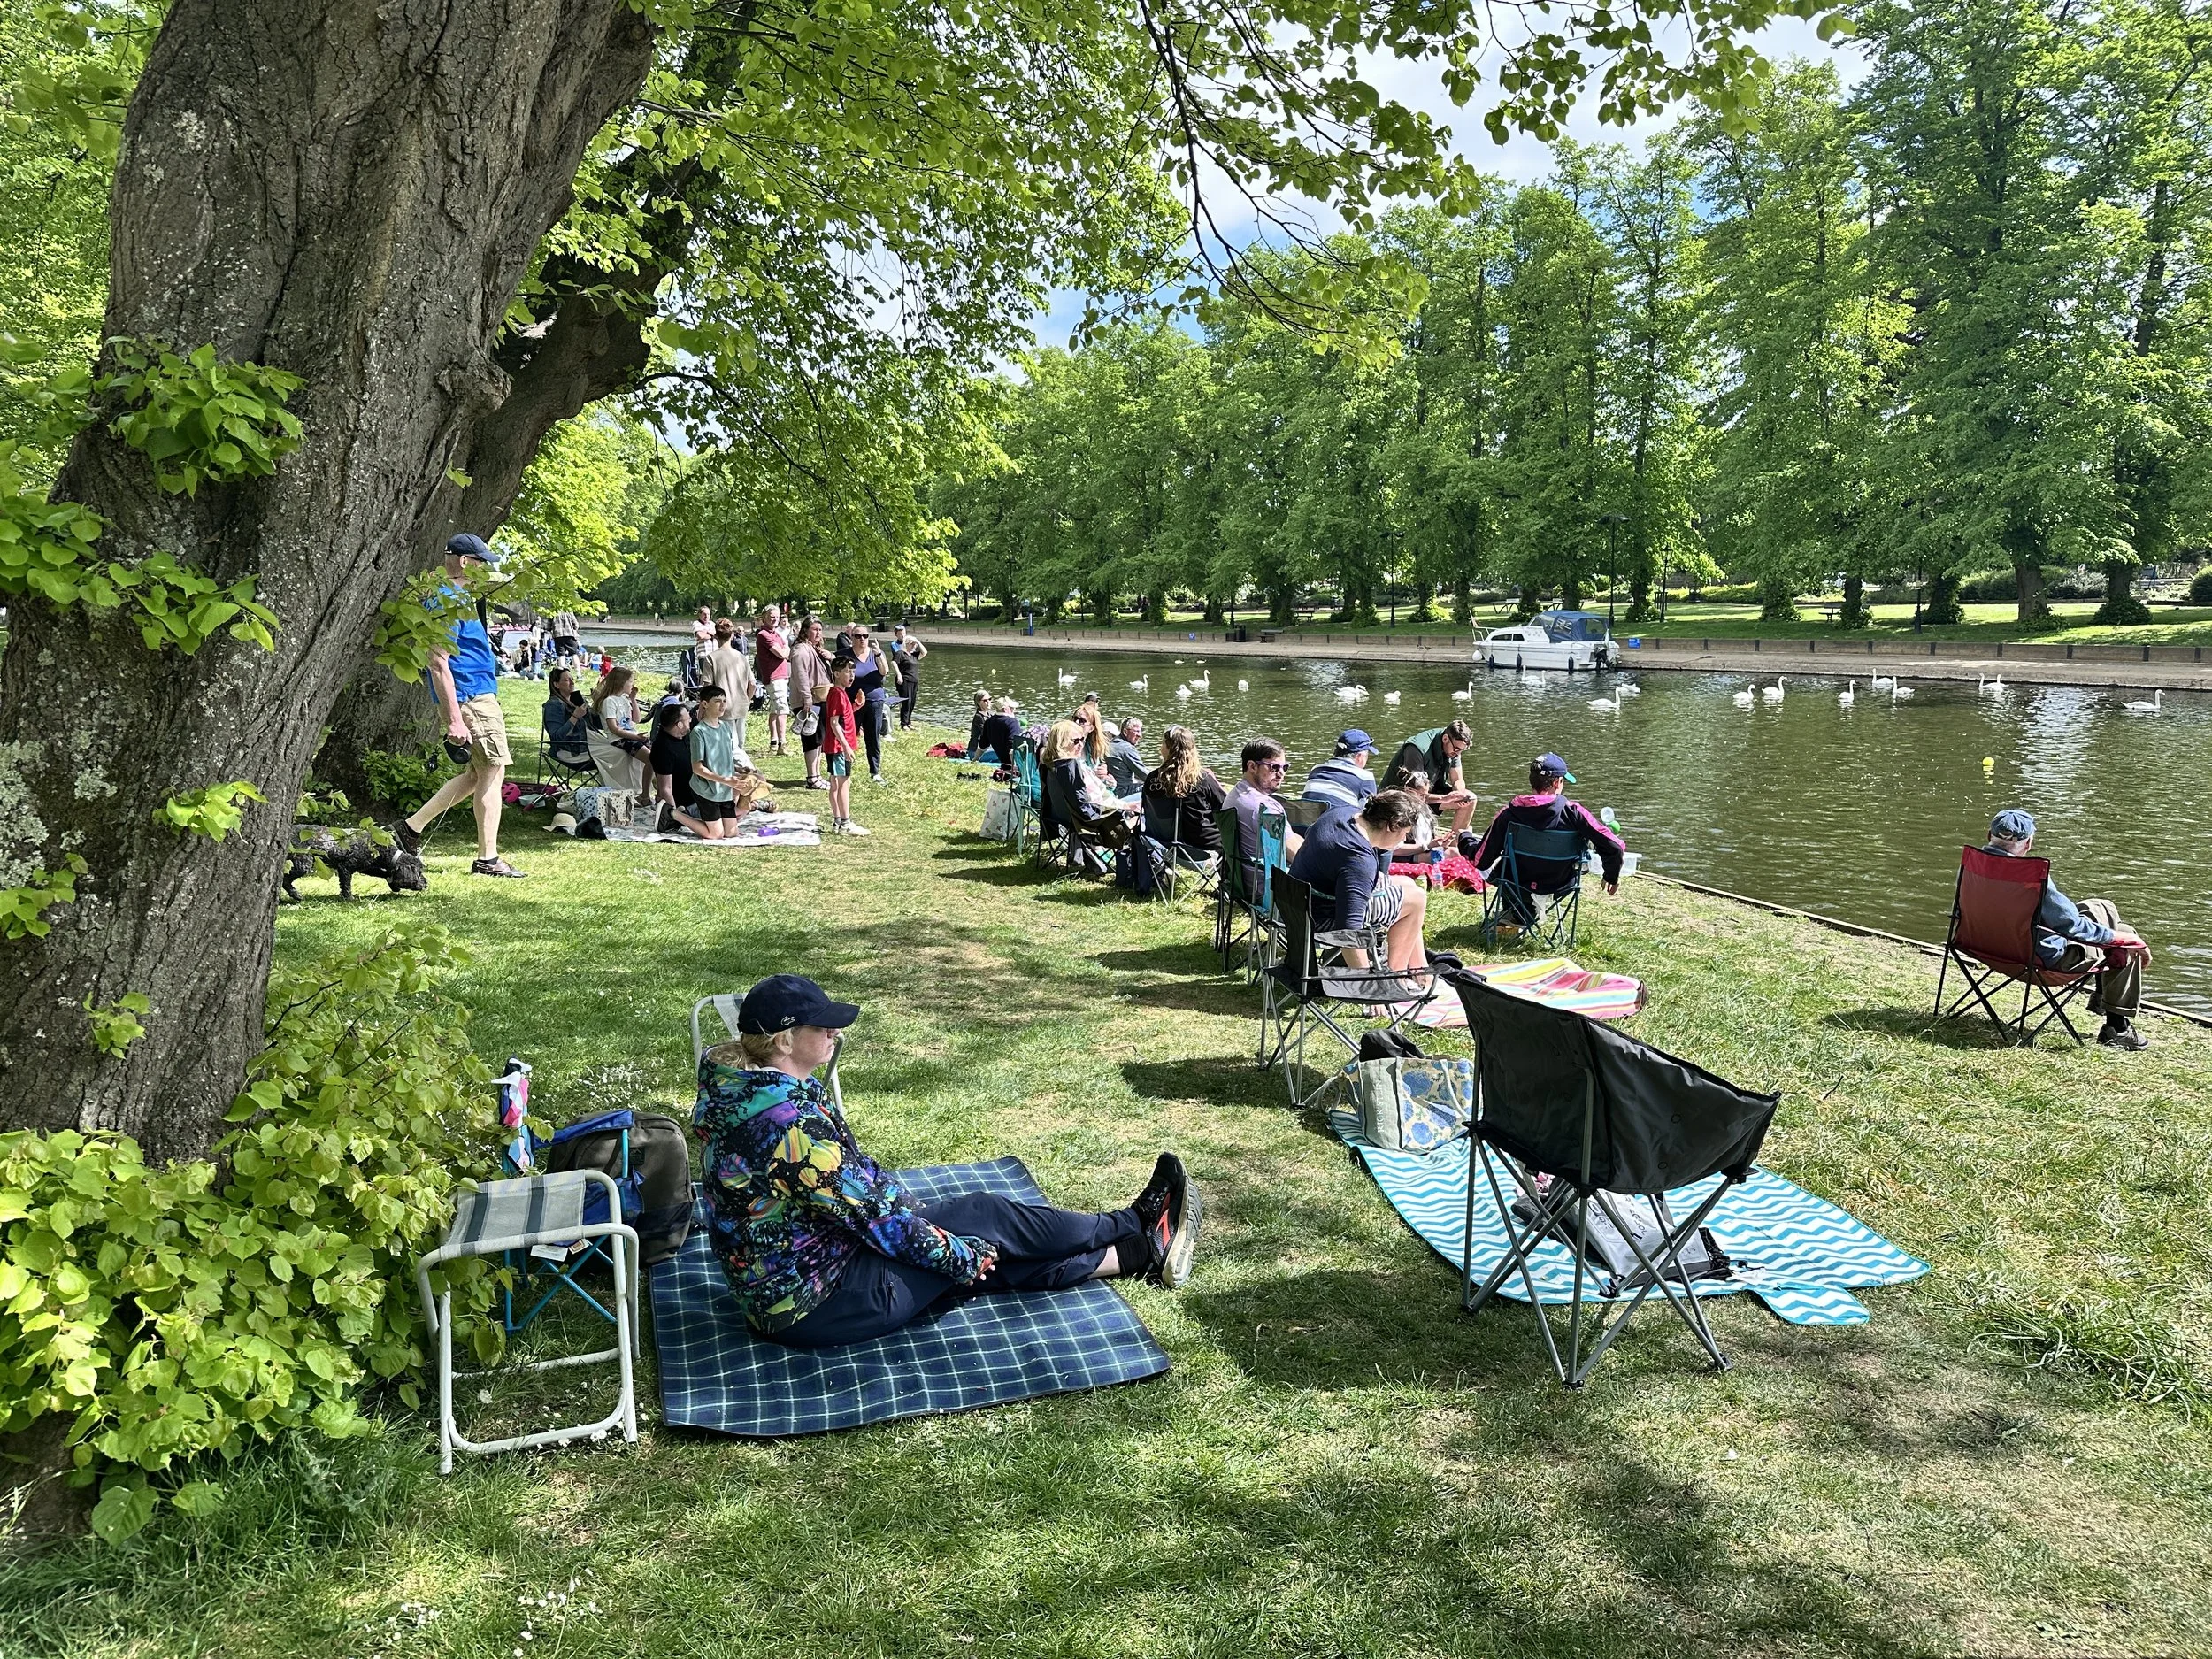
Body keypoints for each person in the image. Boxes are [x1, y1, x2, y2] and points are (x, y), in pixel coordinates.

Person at [693, 975, 1201, 1348]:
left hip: (792, 1283)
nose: (834, 1035)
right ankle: (1134, 1223)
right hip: (819, 1303)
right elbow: (876, 1220)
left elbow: (855, 1185)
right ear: (784, 1041)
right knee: (984, 1228)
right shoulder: (786, 1126)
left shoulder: (744, 1090)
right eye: (821, 1028)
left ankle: (1135, 1254)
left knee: (976, 1232)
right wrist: (959, 1255)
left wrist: (925, 1221)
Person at [388, 534, 525, 878]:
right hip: (471, 696)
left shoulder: (458, 598)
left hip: (476, 693)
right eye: (482, 562)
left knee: (477, 773)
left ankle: (410, 828)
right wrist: (454, 718)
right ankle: (488, 859)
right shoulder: (447, 599)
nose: (486, 569)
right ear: (465, 561)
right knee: (494, 771)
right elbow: (438, 661)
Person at [1981, 808, 2153, 1050]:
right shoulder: (2030, 877)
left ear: (1989, 835)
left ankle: (2105, 1000)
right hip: (2039, 961)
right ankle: (2117, 1027)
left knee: (2101, 910)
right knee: (2125, 939)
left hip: (1987, 948)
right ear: (2028, 844)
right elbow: (2073, 927)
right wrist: (2123, 939)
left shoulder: (1972, 866)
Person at [1287, 787, 1429, 974]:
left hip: (1297, 903)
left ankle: (1419, 971)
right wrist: (1366, 985)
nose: (1404, 839)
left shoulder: (1341, 813)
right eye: (1405, 833)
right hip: (1318, 918)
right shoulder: (1360, 861)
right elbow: (1348, 930)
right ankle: (1395, 977)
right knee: (1416, 899)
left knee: (1408, 884)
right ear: (1393, 825)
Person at [1468, 751, 1624, 902]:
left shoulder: (1509, 814)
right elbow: (1614, 846)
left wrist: (1464, 837)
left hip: (1514, 884)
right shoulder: (1575, 813)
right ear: (1557, 783)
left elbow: (1481, 860)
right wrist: (1611, 876)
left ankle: (1515, 914)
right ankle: (1519, 915)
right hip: (1559, 885)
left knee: (1505, 870)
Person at [1044, 718, 1133, 857]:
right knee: (1143, 812)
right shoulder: (1070, 768)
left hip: (1062, 817)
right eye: (1075, 741)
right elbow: (1091, 806)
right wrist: (1126, 807)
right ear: (1061, 743)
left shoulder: (1051, 765)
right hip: (1091, 821)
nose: (1081, 744)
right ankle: (1155, 866)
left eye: (1082, 739)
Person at [685, 684, 763, 841]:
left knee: (731, 833)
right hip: (705, 789)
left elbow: (725, 758)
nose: (722, 705)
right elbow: (697, 768)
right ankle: (674, 814)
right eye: (717, 701)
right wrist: (726, 780)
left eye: (724, 701)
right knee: (715, 835)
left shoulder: (726, 728)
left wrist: (741, 772)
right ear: (705, 704)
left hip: (724, 789)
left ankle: (707, 820)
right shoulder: (699, 732)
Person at [1140, 726, 1227, 858]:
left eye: (1162, 743)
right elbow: (1226, 807)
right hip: (1201, 847)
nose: (1160, 747)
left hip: (1162, 843)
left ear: (1169, 749)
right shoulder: (1202, 778)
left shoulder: (1152, 778)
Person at [1381, 719, 1479, 838]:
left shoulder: (1454, 749)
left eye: (1462, 750)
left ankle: (1455, 845)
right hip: (1402, 798)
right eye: (1457, 749)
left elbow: (1458, 779)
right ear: (1445, 739)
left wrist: (1459, 794)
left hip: (1428, 794)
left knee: (1470, 800)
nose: (1458, 754)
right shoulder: (1417, 749)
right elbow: (1416, 795)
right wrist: (1445, 798)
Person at [1225, 738, 1301, 864]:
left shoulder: (1234, 795)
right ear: (1252, 766)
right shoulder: (1266, 808)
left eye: (1285, 767)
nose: (1281, 774)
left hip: (1242, 880)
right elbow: (1296, 855)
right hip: (1269, 882)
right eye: (1274, 767)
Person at [649, 700, 715, 837]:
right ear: (679, 724)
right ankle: (757, 805)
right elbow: (665, 788)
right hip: (688, 805)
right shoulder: (663, 749)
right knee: (726, 820)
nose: (690, 720)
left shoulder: (685, 736)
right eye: (687, 718)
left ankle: (756, 804)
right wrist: (673, 814)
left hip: (702, 794)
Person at [586, 664, 650, 803]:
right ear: (621, 683)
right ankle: (645, 794)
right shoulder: (609, 702)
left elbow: (637, 719)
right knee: (651, 759)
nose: (633, 684)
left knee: (658, 757)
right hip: (620, 739)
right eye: (631, 681)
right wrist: (636, 737)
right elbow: (614, 729)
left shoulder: (624, 699)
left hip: (630, 735)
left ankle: (651, 789)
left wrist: (633, 699)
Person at [820, 656, 870, 836]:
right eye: (848, 672)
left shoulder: (841, 694)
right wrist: (846, 746)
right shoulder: (836, 694)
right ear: (836, 674)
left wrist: (857, 705)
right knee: (843, 783)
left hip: (838, 747)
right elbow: (834, 723)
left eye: (853, 671)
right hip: (838, 748)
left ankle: (838, 821)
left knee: (836, 782)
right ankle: (845, 823)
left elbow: (843, 717)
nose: (852, 675)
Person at [789, 614, 833, 790]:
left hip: (818, 699)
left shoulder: (813, 648)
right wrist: (807, 700)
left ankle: (816, 775)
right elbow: (801, 677)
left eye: (820, 630)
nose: (818, 633)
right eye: (814, 629)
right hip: (808, 701)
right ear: (805, 631)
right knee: (812, 740)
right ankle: (812, 777)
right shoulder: (800, 650)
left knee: (819, 739)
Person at [844, 625, 893, 782]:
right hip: (852, 703)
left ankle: (875, 771)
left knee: (873, 737)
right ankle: (846, 772)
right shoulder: (845, 655)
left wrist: (879, 653)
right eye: (858, 636)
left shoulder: (875, 653)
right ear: (852, 638)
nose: (862, 639)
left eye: (865, 636)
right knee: (849, 736)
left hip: (875, 701)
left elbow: (884, 672)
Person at [698, 618, 755, 749]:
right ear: (733, 636)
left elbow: (707, 688)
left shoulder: (711, 658)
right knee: (739, 745)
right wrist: (747, 699)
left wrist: (702, 709)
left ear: (716, 637)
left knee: (729, 747)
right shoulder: (741, 657)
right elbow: (752, 684)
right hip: (740, 705)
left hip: (721, 708)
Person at [1302, 730, 1379, 816]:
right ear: (1359, 756)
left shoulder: (1316, 769)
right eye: (1367, 755)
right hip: (1337, 827)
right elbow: (1371, 815)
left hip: (1306, 827)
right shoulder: (1364, 777)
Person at [754, 604, 791, 756]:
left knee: (775, 710)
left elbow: (786, 651)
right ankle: (783, 743)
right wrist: (785, 649)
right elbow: (782, 653)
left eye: (777, 616)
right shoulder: (764, 635)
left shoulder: (776, 634)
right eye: (772, 617)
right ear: (764, 618)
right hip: (774, 677)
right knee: (783, 709)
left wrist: (785, 649)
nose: (775, 619)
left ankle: (774, 742)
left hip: (782, 675)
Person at [540, 668, 591, 770]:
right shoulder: (554, 705)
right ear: (556, 685)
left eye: (572, 679)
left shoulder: (576, 700)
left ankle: (614, 785)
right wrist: (575, 717)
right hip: (570, 752)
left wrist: (600, 702)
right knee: (617, 754)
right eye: (567, 680)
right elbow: (556, 739)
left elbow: (598, 724)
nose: (572, 682)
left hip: (589, 746)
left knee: (622, 751)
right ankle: (614, 786)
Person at [889, 622, 926, 730]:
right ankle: (903, 724)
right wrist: (899, 675)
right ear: (908, 644)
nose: (914, 646)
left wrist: (918, 642)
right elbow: (893, 663)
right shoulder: (901, 653)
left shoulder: (914, 655)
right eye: (913, 644)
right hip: (904, 680)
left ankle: (909, 722)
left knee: (912, 702)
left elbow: (924, 652)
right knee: (906, 702)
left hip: (914, 681)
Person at [1106, 717, 1147, 795]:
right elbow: (1144, 775)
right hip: (1123, 791)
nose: (1140, 735)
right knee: (1155, 787)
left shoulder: (1113, 744)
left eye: (1140, 731)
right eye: (1137, 731)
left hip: (1112, 789)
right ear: (1125, 732)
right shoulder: (1126, 748)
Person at [977, 695, 1023, 765]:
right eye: (1012, 708)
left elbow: (983, 745)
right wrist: (1015, 768)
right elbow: (1013, 748)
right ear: (1006, 709)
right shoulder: (1012, 722)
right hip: (1014, 767)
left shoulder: (989, 722)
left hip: (1004, 765)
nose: (1014, 709)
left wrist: (974, 760)